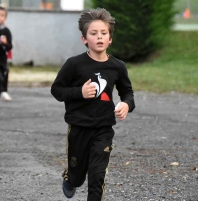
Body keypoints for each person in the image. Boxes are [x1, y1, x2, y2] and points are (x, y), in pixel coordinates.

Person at [51, 8, 135, 200]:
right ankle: (70, 179)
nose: (99, 37)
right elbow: (56, 90)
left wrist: (126, 104)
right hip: (79, 128)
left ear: (110, 38)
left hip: (103, 129)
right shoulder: (74, 64)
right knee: (77, 176)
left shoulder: (117, 67)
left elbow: (127, 92)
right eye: (94, 33)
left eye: (104, 33)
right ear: (84, 39)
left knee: (97, 175)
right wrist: (79, 92)